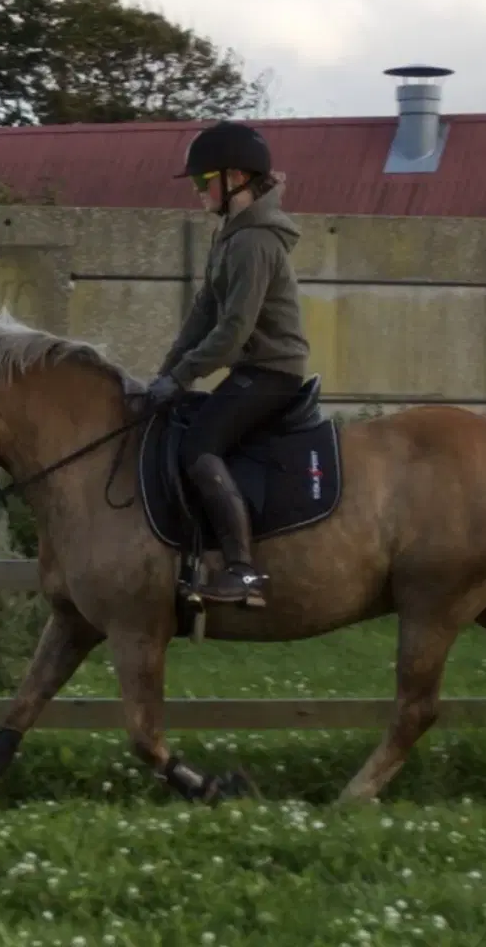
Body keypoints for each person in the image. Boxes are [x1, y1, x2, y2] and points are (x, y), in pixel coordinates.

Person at [145, 120, 310, 608]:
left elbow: (233, 330)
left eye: (202, 181)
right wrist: (164, 373)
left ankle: (243, 572)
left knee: (199, 447)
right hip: (251, 369)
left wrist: (181, 376)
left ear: (235, 177)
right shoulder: (230, 236)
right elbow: (202, 315)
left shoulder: (255, 243)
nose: (197, 192)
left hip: (273, 371)